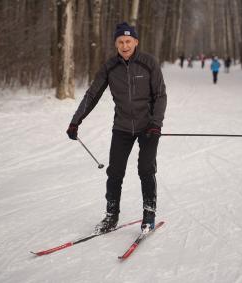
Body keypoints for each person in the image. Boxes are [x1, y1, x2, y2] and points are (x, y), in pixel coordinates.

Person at [66, 22, 167, 234]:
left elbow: (160, 95)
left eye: (128, 41)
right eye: (120, 41)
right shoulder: (110, 67)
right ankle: (111, 216)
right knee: (115, 173)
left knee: (146, 169)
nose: (124, 45)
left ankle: (149, 214)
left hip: (148, 127)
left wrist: (156, 124)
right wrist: (76, 121)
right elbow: (92, 94)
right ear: (115, 44)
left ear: (136, 42)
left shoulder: (149, 63)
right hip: (122, 127)